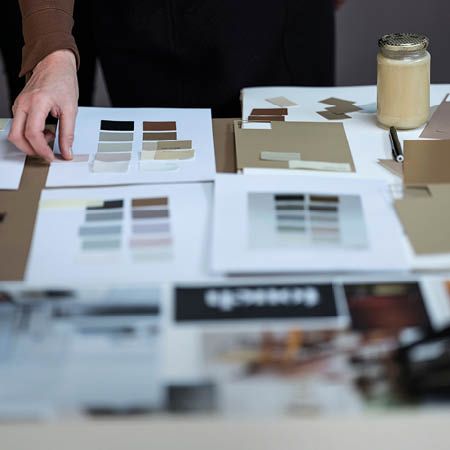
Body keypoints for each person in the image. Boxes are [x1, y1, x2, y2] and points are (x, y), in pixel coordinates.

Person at [9, 0, 342, 162]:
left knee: (293, 173)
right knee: (158, 170)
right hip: (142, 21)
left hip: (278, 20)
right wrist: (52, 50)